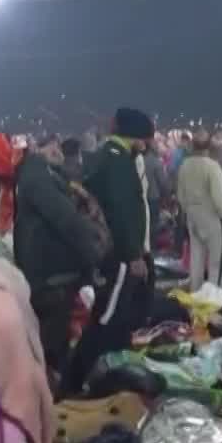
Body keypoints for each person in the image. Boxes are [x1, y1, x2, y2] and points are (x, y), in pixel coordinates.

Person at [65, 107, 155, 395]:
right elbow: (121, 211)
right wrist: (133, 254)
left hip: (114, 252)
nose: (149, 145)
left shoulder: (111, 157)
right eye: (147, 138)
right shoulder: (117, 162)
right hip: (118, 256)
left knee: (114, 318)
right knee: (105, 320)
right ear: (137, 137)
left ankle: (104, 378)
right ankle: (77, 383)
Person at [14, 138, 108, 381]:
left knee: (55, 337)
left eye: (57, 145)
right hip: (50, 272)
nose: (56, 151)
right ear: (35, 150)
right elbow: (66, 220)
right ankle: (47, 397)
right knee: (51, 342)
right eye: (49, 147)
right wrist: (93, 253)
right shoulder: (39, 178)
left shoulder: (51, 176)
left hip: (50, 269)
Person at [176, 131, 222, 291]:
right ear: (210, 147)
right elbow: (220, 200)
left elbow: (180, 195)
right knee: (218, 262)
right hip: (213, 218)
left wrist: (189, 211)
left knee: (197, 259)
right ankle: (214, 297)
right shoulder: (212, 167)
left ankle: (196, 294)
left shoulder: (185, 165)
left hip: (192, 216)